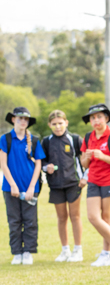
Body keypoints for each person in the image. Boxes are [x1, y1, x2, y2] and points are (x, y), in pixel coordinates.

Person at [80, 104, 110, 266]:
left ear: (106, 118)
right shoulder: (88, 137)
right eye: (93, 118)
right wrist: (87, 158)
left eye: (99, 117)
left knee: (107, 217)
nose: (96, 120)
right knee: (93, 216)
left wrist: (102, 156)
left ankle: (106, 254)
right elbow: (84, 163)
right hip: (93, 181)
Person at [1, 107, 45, 265]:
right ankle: (17, 252)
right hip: (10, 188)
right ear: (13, 119)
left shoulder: (34, 140)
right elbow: (3, 164)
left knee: (30, 221)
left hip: (30, 188)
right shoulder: (5, 139)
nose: (23, 121)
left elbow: (38, 165)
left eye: (26, 119)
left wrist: (32, 187)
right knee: (14, 221)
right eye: (20, 118)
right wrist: (13, 185)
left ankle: (28, 252)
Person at [42, 110, 86, 262]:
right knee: (61, 218)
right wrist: (46, 167)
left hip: (74, 183)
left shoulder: (75, 139)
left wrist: (85, 177)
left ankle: (78, 250)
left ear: (66, 123)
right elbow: (42, 162)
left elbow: (86, 159)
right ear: (49, 125)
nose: (58, 127)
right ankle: (65, 250)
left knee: (75, 216)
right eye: (54, 124)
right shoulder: (46, 142)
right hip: (55, 185)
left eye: (60, 123)